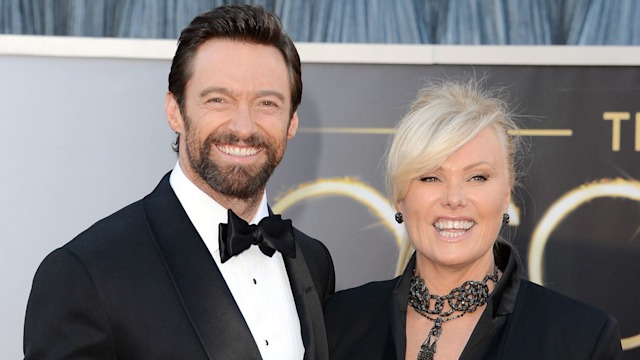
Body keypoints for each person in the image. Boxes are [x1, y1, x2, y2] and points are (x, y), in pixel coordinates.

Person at [24, 5, 334, 360]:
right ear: (175, 111)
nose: (244, 127)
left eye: (267, 103)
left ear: (292, 121)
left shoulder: (313, 261)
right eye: (219, 100)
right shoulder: (87, 274)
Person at [324, 79, 622, 359]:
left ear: (506, 193)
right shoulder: (336, 323)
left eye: (477, 177)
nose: (454, 198)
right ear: (400, 195)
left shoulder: (582, 338)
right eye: (430, 177)